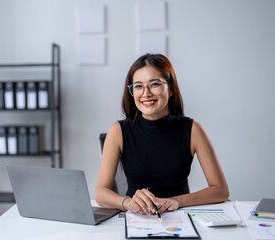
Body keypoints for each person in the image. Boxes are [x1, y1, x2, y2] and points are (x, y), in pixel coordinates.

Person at [95, 53, 229, 215]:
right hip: (137, 218)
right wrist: (128, 203)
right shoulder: (118, 131)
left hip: (179, 216)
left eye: (154, 84)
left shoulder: (193, 129)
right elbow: (101, 193)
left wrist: (177, 201)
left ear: (171, 89)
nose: (145, 93)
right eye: (138, 86)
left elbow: (220, 190)